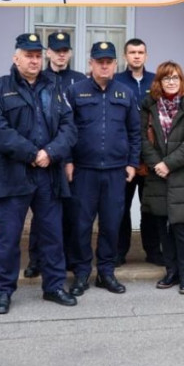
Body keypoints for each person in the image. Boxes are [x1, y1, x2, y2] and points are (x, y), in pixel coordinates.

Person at [0, 34, 78, 314]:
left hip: (48, 174)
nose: (33, 60)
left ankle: (54, 286)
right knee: (9, 237)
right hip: (12, 175)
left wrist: (51, 153)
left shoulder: (55, 88)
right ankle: (3, 291)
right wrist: (33, 154)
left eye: (37, 55)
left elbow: (69, 127)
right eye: (27, 55)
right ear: (15, 57)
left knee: (52, 235)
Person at [65, 42, 140, 297]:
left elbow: (134, 132)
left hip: (116, 171)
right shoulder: (76, 92)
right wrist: (68, 161)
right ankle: (82, 272)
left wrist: (132, 162)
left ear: (115, 64)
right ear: (91, 64)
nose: (104, 65)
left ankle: (106, 272)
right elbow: (66, 130)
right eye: (99, 61)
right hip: (83, 171)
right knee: (81, 225)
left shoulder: (125, 93)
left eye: (108, 61)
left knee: (111, 224)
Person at [26, 31, 87, 279]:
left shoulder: (79, 80)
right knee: (43, 214)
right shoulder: (39, 78)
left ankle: (68, 258)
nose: (61, 55)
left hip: (72, 154)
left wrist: (70, 159)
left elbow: (77, 122)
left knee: (71, 211)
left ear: (70, 53)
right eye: (56, 50)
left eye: (65, 50)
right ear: (48, 52)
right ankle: (36, 260)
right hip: (44, 157)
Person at [140, 62, 184, 295]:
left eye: (175, 78)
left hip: (183, 174)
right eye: (166, 78)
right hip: (157, 174)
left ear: (182, 81)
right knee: (162, 226)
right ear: (159, 81)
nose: (171, 82)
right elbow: (141, 139)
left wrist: (169, 163)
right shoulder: (148, 105)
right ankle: (171, 271)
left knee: (180, 227)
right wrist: (157, 164)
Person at [114, 38, 159, 266]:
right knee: (120, 207)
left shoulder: (156, 81)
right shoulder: (116, 81)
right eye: (132, 52)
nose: (137, 56)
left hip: (151, 157)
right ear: (125, 57)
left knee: (150, 207)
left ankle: (153, 251)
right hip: (125, 157)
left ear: (146, 56)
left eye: (141, 52)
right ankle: (119, 252)